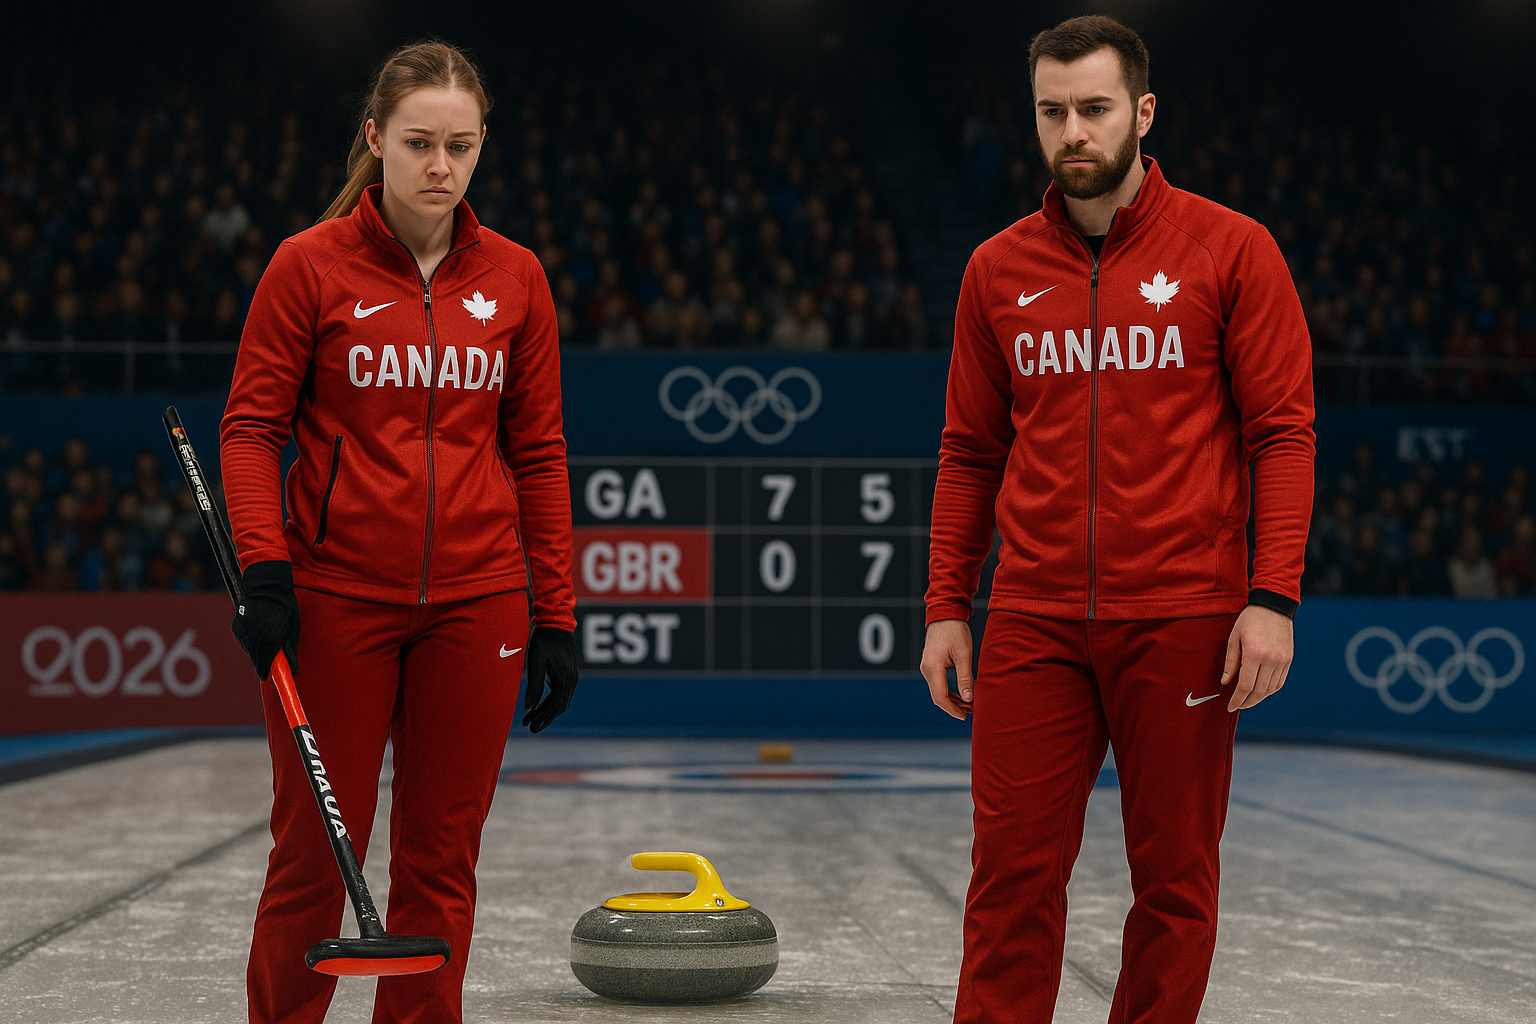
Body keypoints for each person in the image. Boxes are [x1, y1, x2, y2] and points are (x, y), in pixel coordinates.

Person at [919, 16, 1313, 1024]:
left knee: (1175, 881)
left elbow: (1282, 432)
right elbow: (969, 451)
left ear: (1142, 111)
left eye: (1094, 109)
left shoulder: (1233, 250)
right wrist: (946, 607)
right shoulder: (995, 270)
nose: (1073, 132)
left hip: (1183, 613)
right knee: (1008, 874)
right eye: (1053, 112)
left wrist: (1271, 595)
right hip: (1036, 616)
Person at [219, 41, 578, 1024]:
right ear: (376, 139)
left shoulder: (516, 279)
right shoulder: (308, 265)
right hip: (336, 600)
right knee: (310, 854)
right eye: (419, 142)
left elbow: (539, 452)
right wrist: (264, 568)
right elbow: (250, 428)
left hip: (479, 602)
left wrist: (556, 612)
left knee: (441, 857)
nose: (440, 167)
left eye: (461, 146)